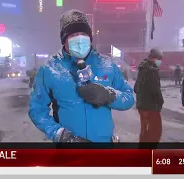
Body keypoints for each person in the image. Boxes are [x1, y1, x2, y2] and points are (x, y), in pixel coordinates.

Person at [28, 9, 134, 143]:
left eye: (83, 34)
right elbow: (37, 110)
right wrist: (60, 135)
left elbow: (129, 97)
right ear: (64, 39)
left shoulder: (106, 65)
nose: (79, 39)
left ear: (90, 38)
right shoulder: (49, 69)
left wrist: (108, 96)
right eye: (73, 35)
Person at [134, 48, 164, 143]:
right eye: (159, 59)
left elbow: (135, 88)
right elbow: (155, 91)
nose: (160, 62)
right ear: (154, 58)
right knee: (154, 133)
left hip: (142, 106)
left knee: (145, 132)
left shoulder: (142, 69)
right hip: (151, 107)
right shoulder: (153, 71)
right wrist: (160, 102)